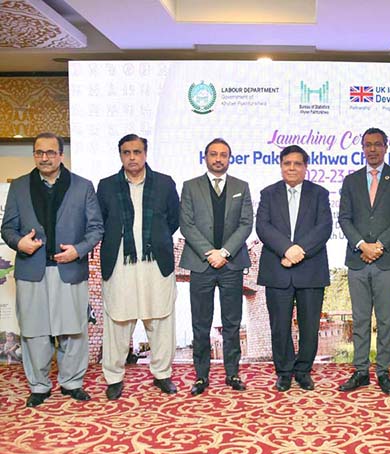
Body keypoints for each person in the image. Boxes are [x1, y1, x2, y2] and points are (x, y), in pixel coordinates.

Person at [1, 132, 103, 407]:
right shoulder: (20, 186)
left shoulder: (83, 186)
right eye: (38, 152)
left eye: (50, 152)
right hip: (31, 270)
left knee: (73, 330)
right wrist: (19, 242)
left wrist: (78, 250)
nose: (44, 157)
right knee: (35, 331)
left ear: (60, 155)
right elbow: (7, 227)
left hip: (68, 269)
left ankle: (72, 383)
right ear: (34, 155)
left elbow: (96, 228)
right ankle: (39, 385)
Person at [97, 134, 180, 400]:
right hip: (120, 261)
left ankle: (162, 374)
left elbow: (173, 220)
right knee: (118, 320)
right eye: (126, 152)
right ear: (120, 155)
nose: (132, 157)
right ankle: (114, 377)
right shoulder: (107, 186)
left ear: (145, 153)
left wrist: (153, 238)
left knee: (160, 318)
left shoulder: (165, 184)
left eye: (137, 152)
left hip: (156, 261)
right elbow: (101, 221)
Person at [338, 128, 390, 395]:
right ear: (362, 147)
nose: (372, 149)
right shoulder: (351, 180)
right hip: (357, 261)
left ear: (386, 146)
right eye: (368, 145)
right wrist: (362, 245)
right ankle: (360, 371)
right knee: (359, 319)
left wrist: (379, 246)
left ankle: (383, 371)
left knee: (385, 320)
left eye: (377, 145)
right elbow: (344, 218)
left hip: (387, 260)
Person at [180, 138, 253, 395]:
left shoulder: (241, 187)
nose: (218, 158)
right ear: (206, 157)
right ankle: (201, 376)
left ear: (229, 158)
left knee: (232, 322)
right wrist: (209, 253)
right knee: (201, 323)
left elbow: (246, 224)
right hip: (201, 264)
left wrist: (224, 252)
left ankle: (233, 373)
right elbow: (186, 224)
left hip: (231, 264)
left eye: (223, 154)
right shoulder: (190, 187)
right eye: (213, 154)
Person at [257, 145, 332, 392]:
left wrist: (298, 251)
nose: (292, 168)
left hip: (310, 269)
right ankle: (284, 372)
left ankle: (303, 371)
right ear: (281, 165)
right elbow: (263, 227)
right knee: (279, 326)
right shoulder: (268, 193)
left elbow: (324, 228)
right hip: (278, 269)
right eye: (287, 163)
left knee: (310, 326)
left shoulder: (319, 193)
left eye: (297, 163)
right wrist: (286, 249)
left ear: (305, 167)